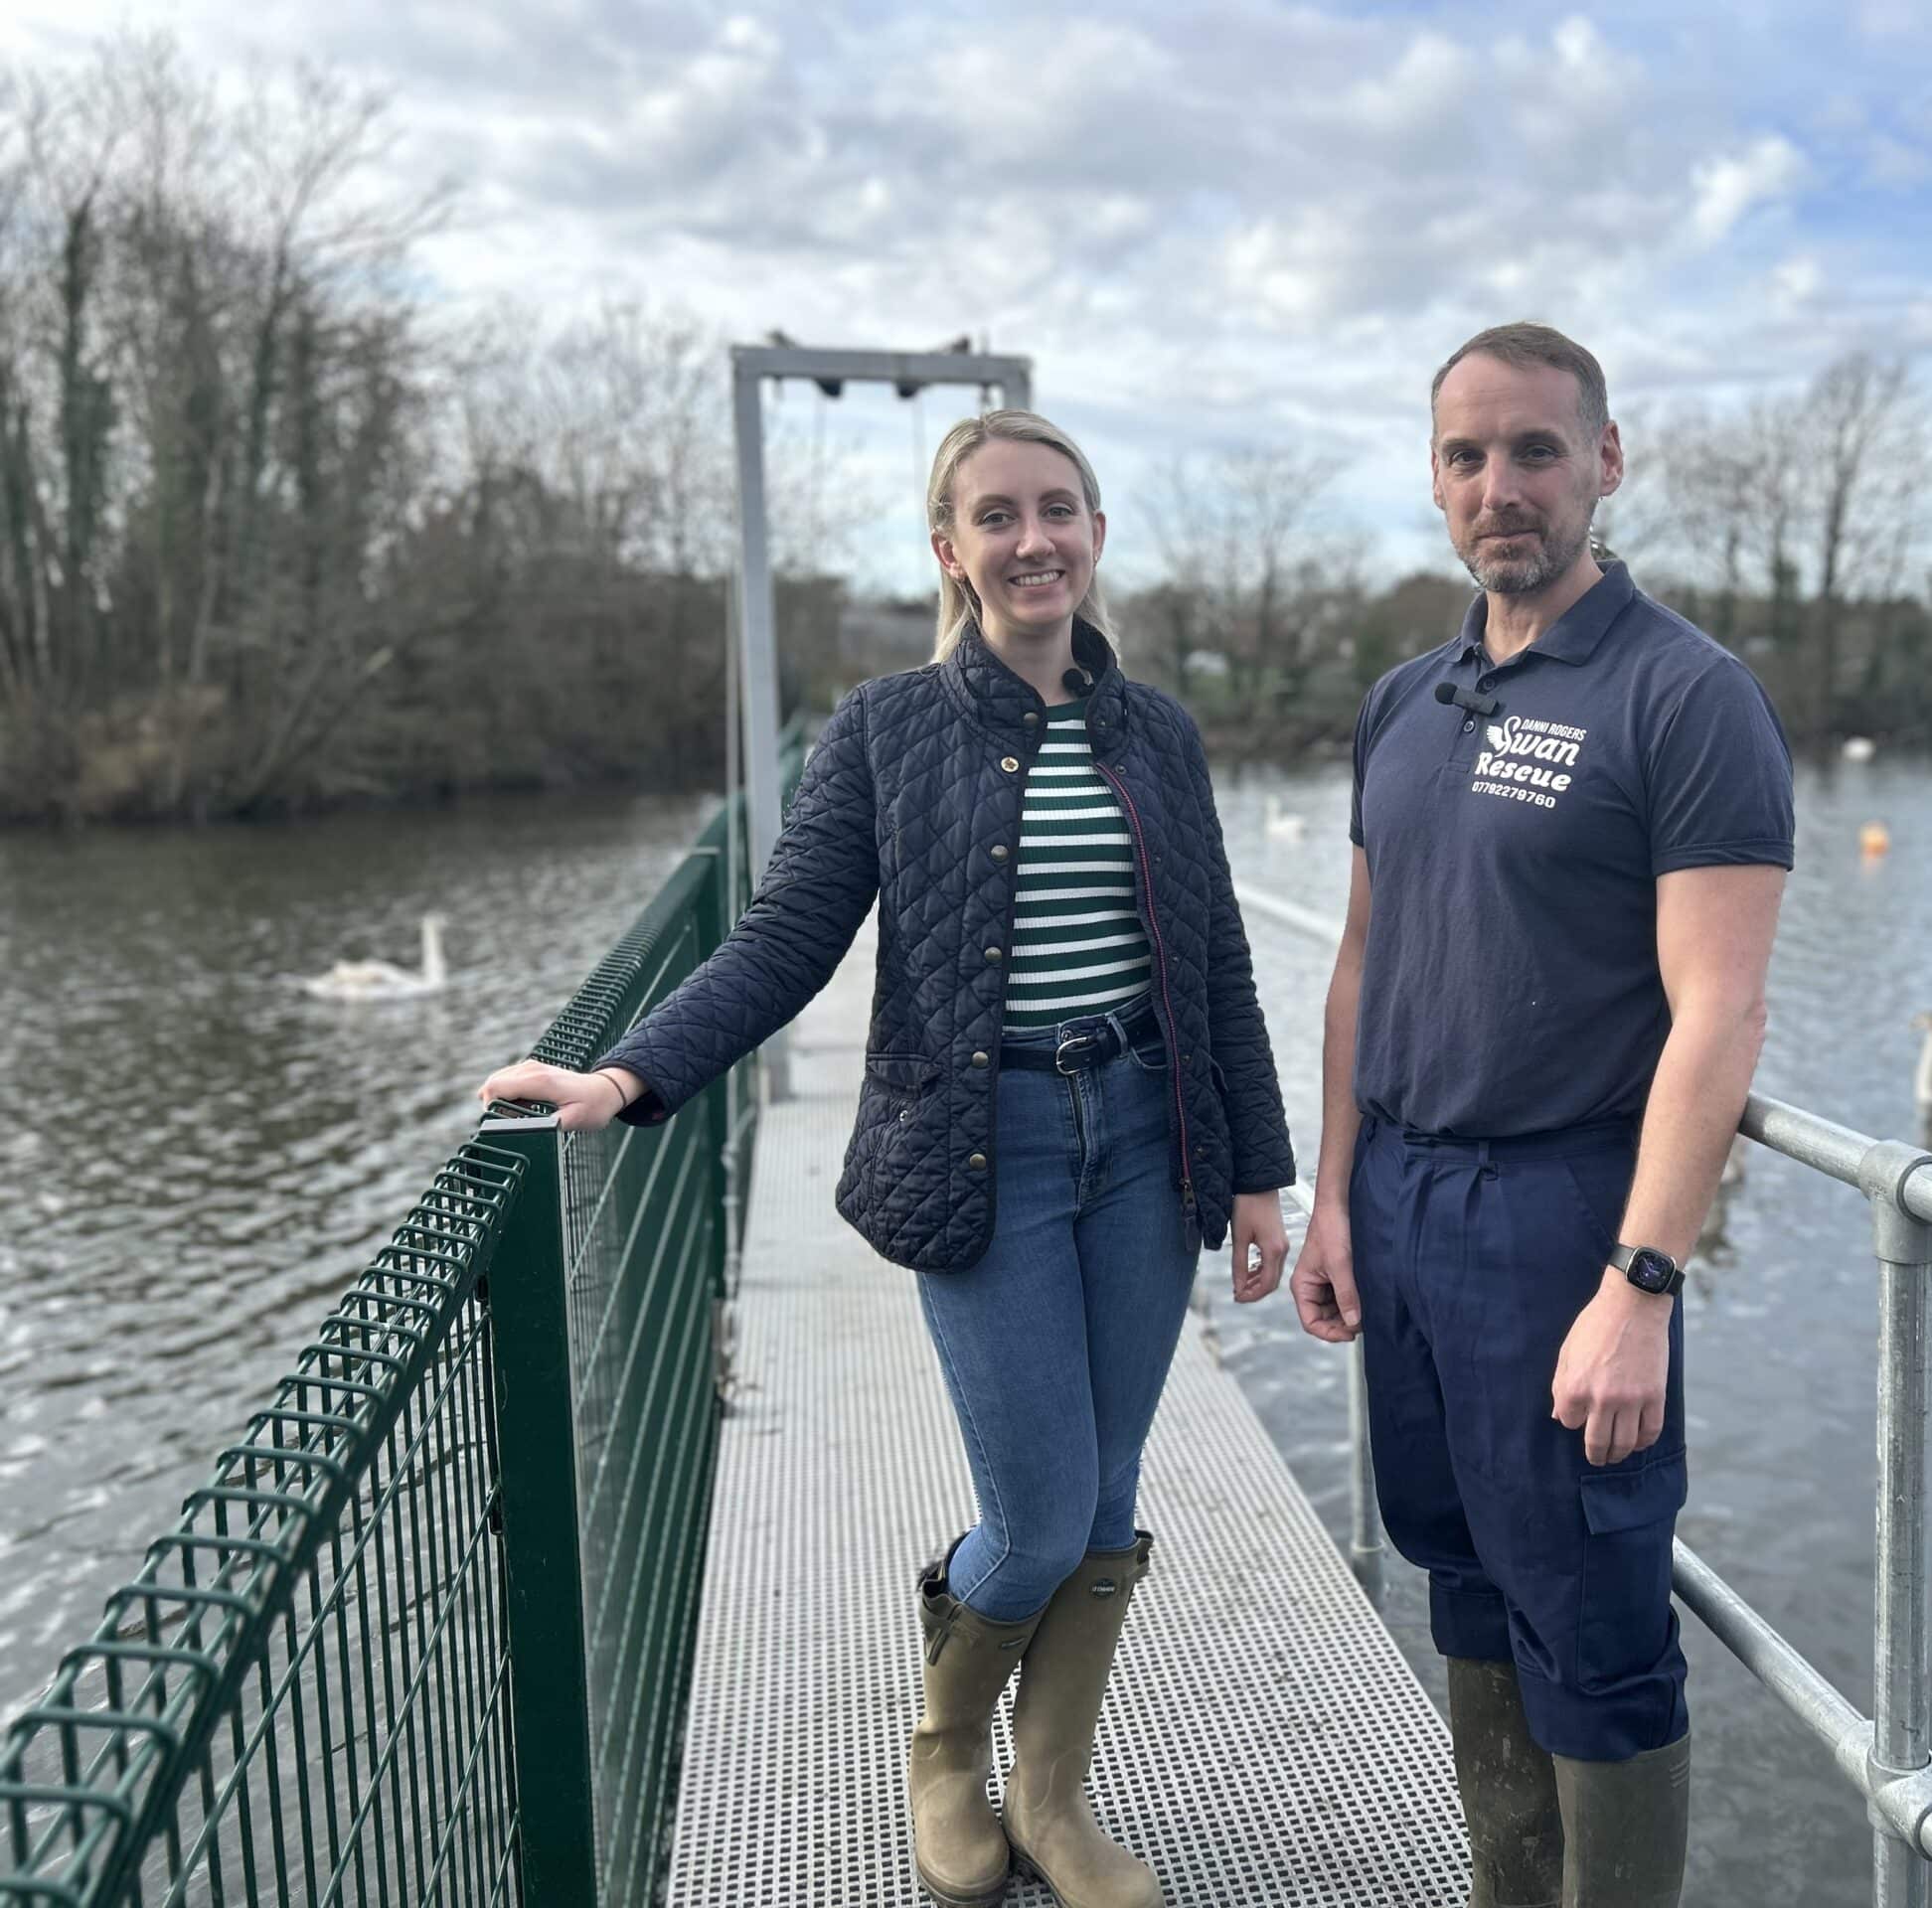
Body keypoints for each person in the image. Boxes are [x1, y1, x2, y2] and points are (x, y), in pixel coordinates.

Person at [478, 408, 1295, 1908]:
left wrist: (1259, 1170)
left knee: (1105, 1502)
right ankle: (944, 1750)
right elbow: (787, 936)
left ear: (1097, 534)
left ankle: (1052, 1799)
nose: (1034, 537)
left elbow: (1218, 962)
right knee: (1039, 1509)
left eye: (1060, 508)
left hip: (1145, 1143)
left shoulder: (1160, 734)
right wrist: (628, 1072)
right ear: (951, 552)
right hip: (983, 1159)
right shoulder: (884, 731)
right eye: (999, 516)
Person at [1288, 324, 1793, 1907]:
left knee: (1593, 1613)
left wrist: (1643, 1284)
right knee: (1461, 1570)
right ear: (1434, 480)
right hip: (1405, 1206)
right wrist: (1331, 1197)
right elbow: (1366, 960)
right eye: (1464, 456)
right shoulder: (1405, 702)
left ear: (1606, 461)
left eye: (1534, 452)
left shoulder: (1683, 697)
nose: (1498, 488)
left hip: (1567, 1219)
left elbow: (1721, 1011)